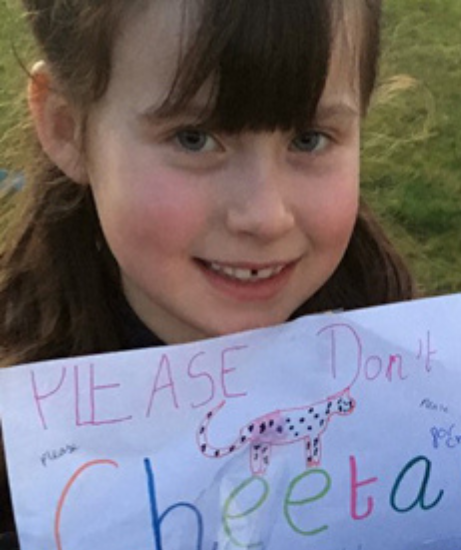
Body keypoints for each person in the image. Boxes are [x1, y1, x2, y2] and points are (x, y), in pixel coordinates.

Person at [0, 1, 414, 547]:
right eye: (194, 138)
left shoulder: (417, 396)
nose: (265, 216)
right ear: (68, 128)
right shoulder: (15, 447)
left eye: (308, 138)